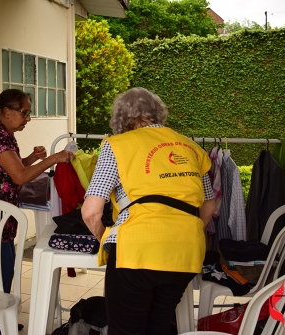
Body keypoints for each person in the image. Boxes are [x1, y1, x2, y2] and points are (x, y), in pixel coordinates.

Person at [81, 87, 216, 335]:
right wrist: (186, 231)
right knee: (159, 325)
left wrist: (106, 239)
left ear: (122, 118)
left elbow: (91, 212)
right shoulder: (191, 146)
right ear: (157, 114)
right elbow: (209, 204)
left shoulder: (116, 145)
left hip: (137, 250)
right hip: (186, 251)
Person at [0, 89, 74, 335]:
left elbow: (12, 168)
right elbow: (19, 176)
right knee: (0, 270)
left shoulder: (2, 132)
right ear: (6, 111)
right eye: (24, 113)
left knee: (3, 268)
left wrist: (32, 158)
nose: (27, 119)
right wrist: (53, 159)